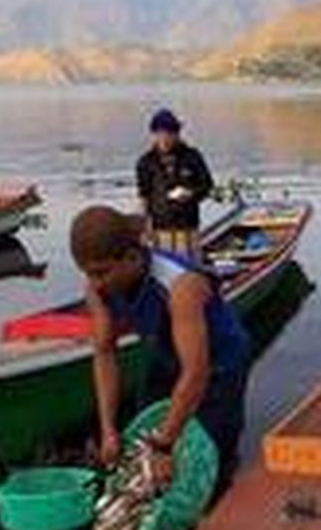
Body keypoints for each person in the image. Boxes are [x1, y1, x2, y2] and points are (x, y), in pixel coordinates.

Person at [71, 205, 249, 487]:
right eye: (88, 273)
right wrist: (108, 430)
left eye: (102, 273)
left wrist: (164, 446)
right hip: (165, 349)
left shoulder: (180, 286)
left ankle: (220, 494)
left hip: (219, 360)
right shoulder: (98, 289)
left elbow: (195, 373)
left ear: (131, 257)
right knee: (145, 435)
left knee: (213, 444)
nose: (95, 283)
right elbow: (104, 353)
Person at [136, 109, 215, 257]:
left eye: (169, 134)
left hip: (187, 228)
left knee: (191, 271)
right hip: (160, 229)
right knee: (165, 271)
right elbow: (144, 196)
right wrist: (145, 227)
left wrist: (191, 194)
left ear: (177, 134)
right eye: (160, 134)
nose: (164, 138)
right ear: (154, 135)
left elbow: (207, 185)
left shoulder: (192, 157)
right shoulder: (146, 162)